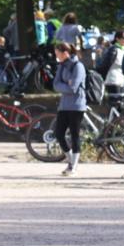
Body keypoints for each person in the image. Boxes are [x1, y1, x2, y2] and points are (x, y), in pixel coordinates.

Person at [52, 42, 87, 176]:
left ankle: (74, 166)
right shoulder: (62, 66)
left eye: (58, 54)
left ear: (65, 52)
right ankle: (71, 160)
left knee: (74, 135)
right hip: (64, 105)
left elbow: (74, 88)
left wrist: (64, 84)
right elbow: (55, 84)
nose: (57, 57)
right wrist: (66, 84)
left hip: (77, 105)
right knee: (59, 133)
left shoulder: (78, 66)